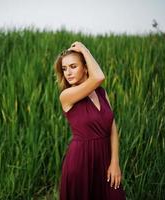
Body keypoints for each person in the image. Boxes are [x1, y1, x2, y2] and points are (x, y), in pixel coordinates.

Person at [54, 41, 126, 199]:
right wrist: (84, 49)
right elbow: (99, 76)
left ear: (86, 67)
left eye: (73, 66)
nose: (68, 73)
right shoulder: (67, 96)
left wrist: (115, 162)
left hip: (106, 158)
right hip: (81, 162)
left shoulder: (101, 93)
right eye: (64, 69)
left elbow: (112, 129)